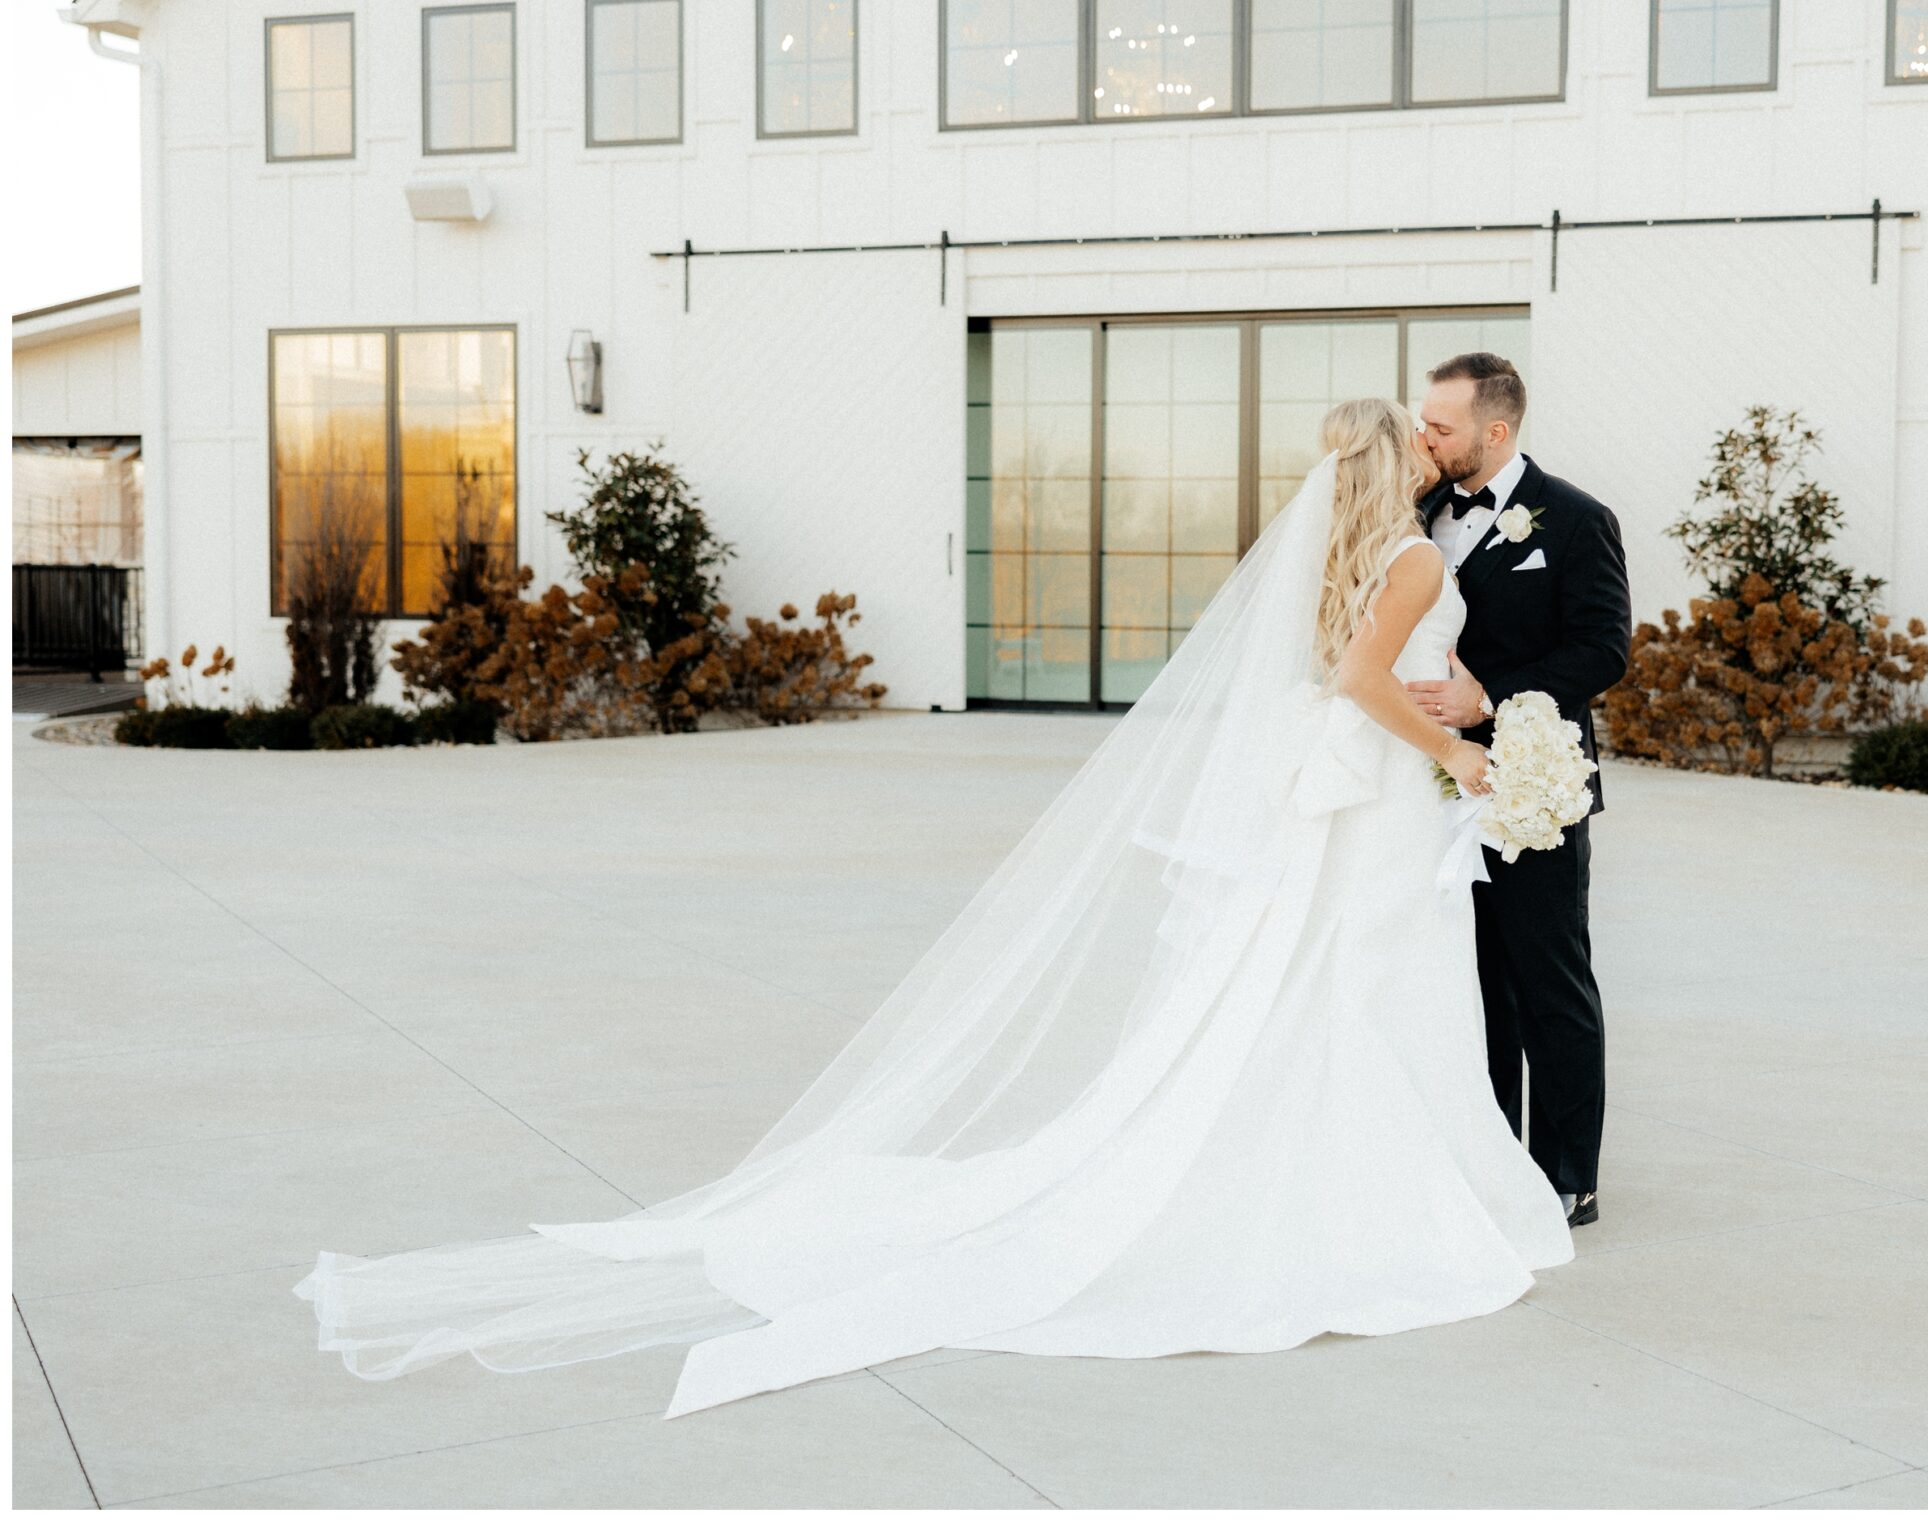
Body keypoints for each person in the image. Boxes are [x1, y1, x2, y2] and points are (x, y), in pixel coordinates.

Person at [296, 398, 1574, 1419]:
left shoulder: (1357, 553)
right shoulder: (1406, 550)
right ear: (1392, 459)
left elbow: (1403, 661)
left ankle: (1363, 1162)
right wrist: (1463, 760)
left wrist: (1485, 716)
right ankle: (1369, 1193)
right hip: (1376, 801)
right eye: (1417, 433)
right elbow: (1365, 673)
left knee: (1327, 984)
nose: (1431, 443)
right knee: (1358, 984)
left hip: (1350, 797)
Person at [1407, 353, 1630, 1228]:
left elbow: (1603, 649)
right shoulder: (1420, 512)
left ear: (1495, 432)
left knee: (1550, 982)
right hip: (1428, 785)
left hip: (1533, 787)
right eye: (1424, 421)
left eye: (1441, 426)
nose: (1425, 438)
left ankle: (1568, 1174)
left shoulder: (1577, 520)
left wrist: (1489, 696)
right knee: (1473, 985)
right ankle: (1492, 1156)